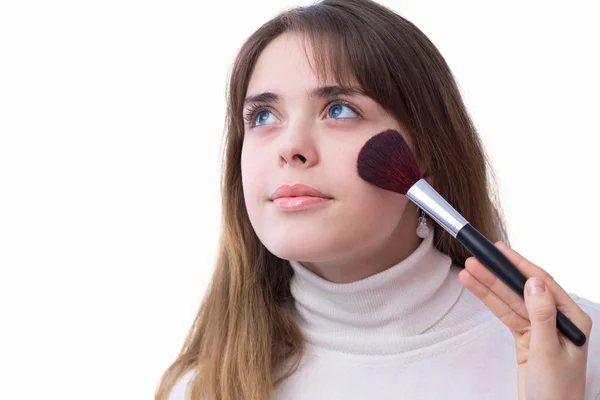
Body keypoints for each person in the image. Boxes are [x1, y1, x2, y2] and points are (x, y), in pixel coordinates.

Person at [155, 0, 600, 398]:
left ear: (424, 155)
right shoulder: (199, 388)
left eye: (339, 110)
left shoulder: (580, 353)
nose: (290, 146)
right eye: (263, 116)